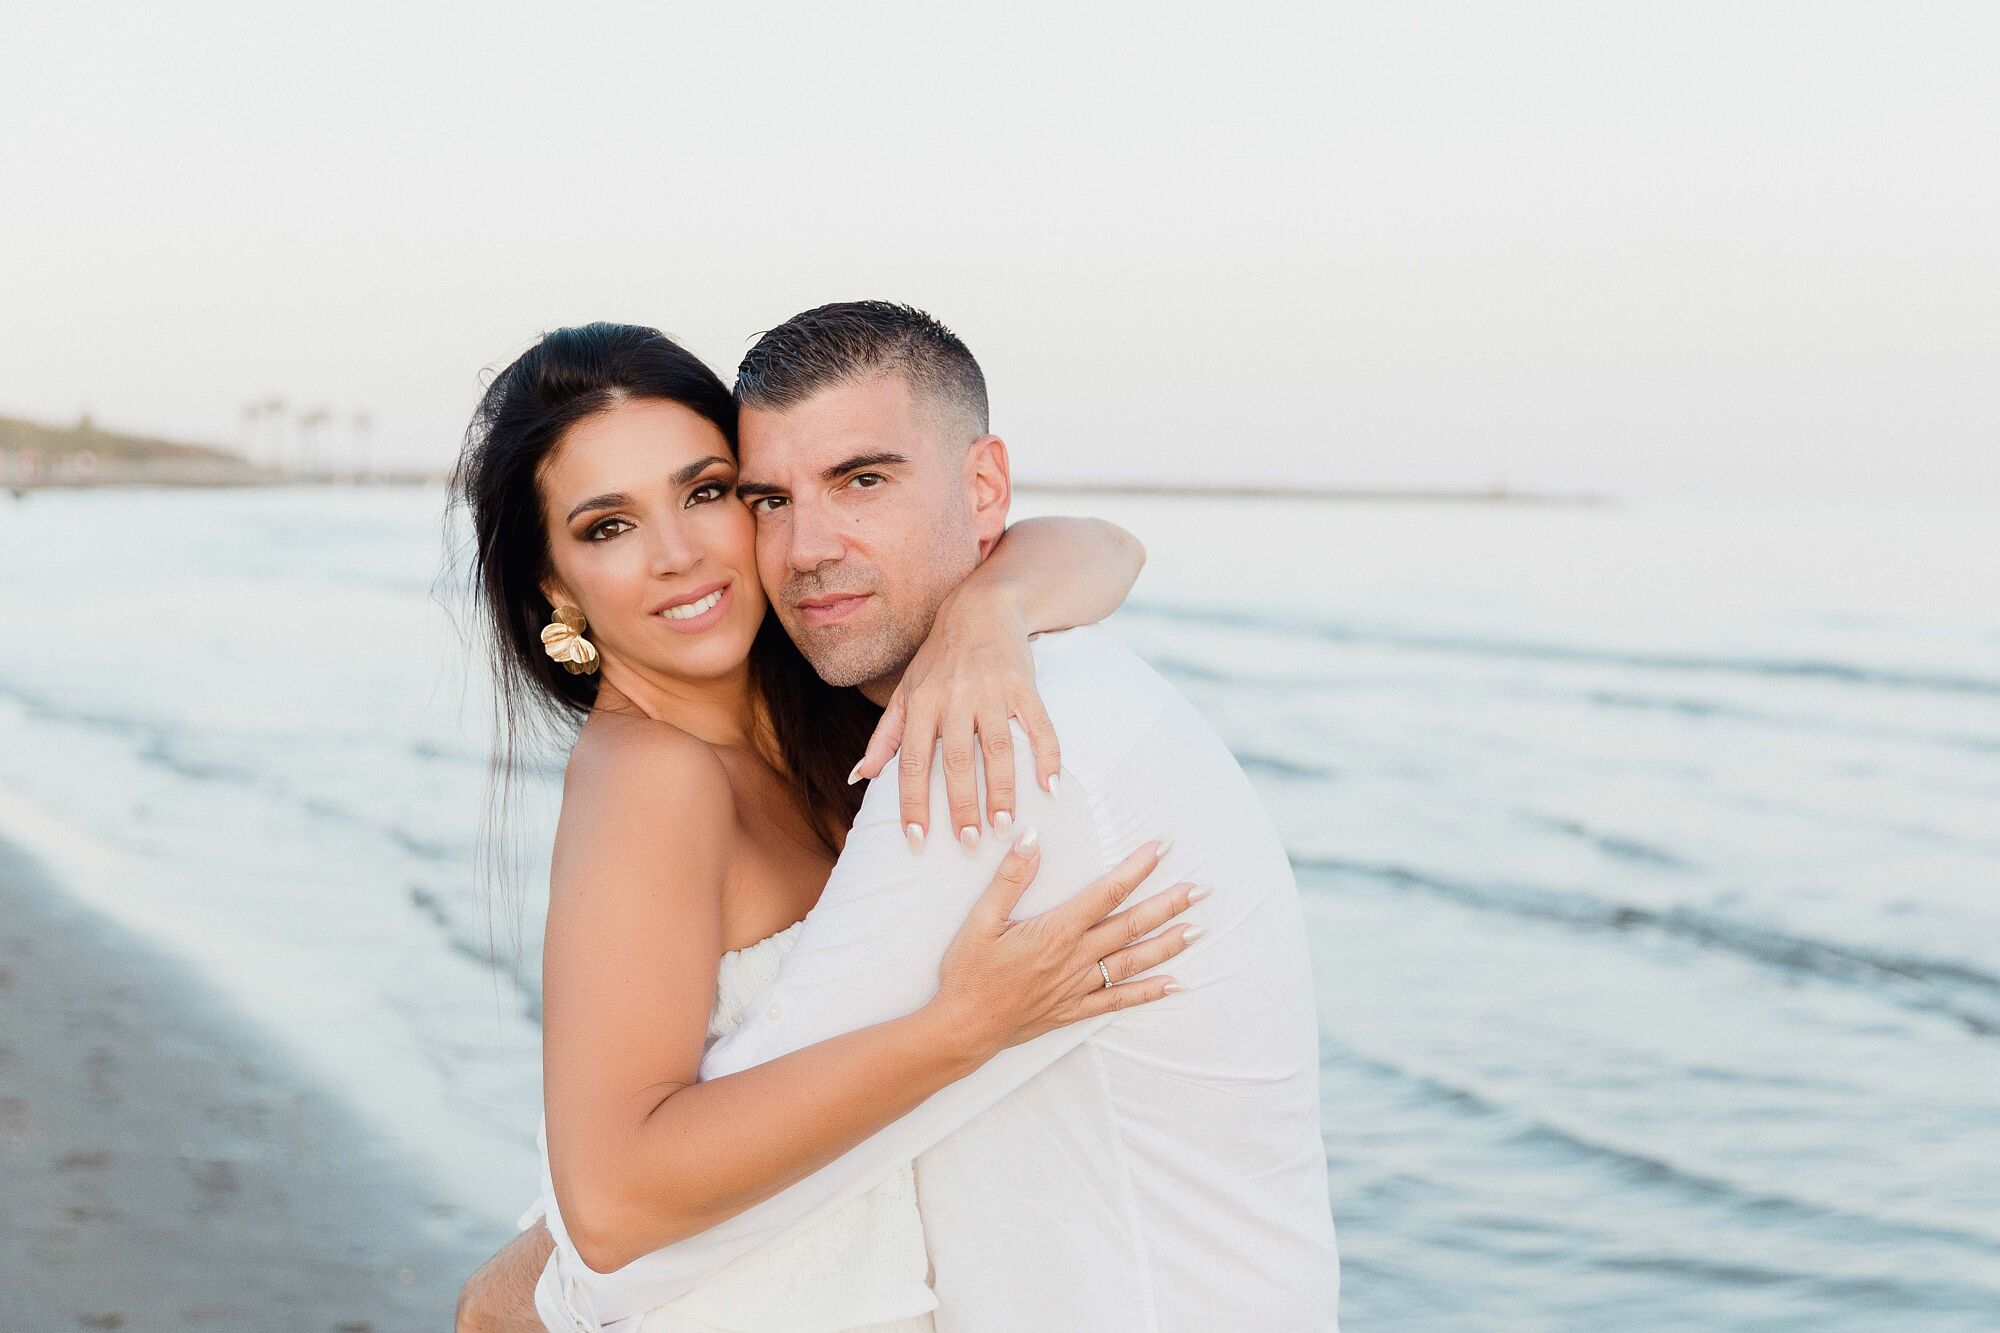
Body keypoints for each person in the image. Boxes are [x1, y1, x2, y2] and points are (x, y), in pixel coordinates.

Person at [468, 303, 1339, 1331]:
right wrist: (957, 1029)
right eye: (606, 525)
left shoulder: (870, 717)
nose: (678, 555)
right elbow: (612, 1205)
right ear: (552, 585)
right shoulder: (652, 775)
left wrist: (990, 608)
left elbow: (1107, 547)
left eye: (708, 494)